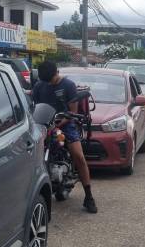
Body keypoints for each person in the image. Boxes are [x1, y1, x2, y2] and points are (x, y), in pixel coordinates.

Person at [32, 61, 98, 214]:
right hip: (43, 125)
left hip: (65, 124)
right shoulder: (40, 85)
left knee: (78, 156)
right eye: (45, 81)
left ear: (57, 72)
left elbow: (72, 111)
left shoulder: (68, 85)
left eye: (51, 80)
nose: (48, 83)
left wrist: (60, 124)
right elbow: (34, 105)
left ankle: (89, 197)